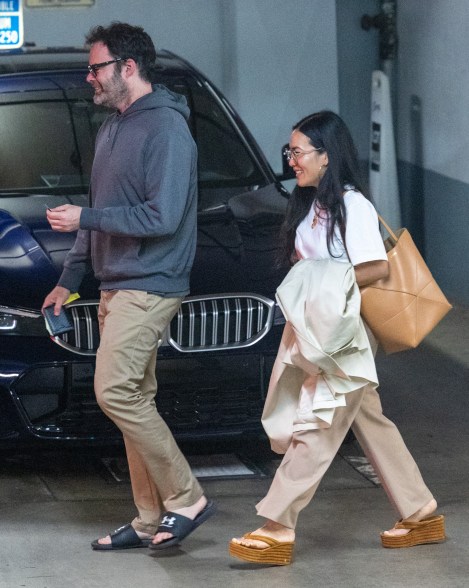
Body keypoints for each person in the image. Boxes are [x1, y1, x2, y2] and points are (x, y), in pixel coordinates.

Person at [229, 111, 445, 565]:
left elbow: (377, 266)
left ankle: (277, 526)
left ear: (326, 156)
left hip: (341, 334)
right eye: (289, 152)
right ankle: (420, 511)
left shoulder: (353, 205)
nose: (292, 160)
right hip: (312, 331)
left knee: (318, 423)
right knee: (370, 421)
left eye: (299, 151)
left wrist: (325, 281)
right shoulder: (307, 204)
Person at [42, 22, 214, 551]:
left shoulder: (165, 130)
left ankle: (186, 498)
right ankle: (147, 521)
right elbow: (93, 221)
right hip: (116, 285)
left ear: (128, 68)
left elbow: (161, 216)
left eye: (96, 67)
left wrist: (86, 215)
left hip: (151, 284)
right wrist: (68, 281)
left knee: (114, 391)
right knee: (135, 399)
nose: (88, 76)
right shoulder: (112, 128)